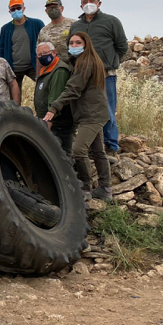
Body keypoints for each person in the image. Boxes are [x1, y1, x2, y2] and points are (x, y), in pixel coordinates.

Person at [44, 32, 111, 201]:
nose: (74, 46)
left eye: (78, 42)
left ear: (86, 44)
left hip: (92, 115)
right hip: (93, 112)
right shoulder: (84, 62)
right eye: (71, 43)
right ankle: (105, 188)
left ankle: (86, 187)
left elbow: (73, 89)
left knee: (78, 151)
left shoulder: (85, 63)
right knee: (97, 152)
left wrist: (54, 108)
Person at [69, 0, 128, 162]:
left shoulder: (111, 21)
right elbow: (73, 47)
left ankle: (111, 147)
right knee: (87, 111)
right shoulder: (76, 25)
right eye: (85, 1)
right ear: (81, 5)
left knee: (107, 110)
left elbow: (122, 47)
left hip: (104, 75)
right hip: (82, 76)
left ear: (99, 3)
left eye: (92, 0)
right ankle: (91, 147)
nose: (89, 4)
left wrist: (109, 63)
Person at [0, 0, 44, 97]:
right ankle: (15, 112)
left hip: (34, 66)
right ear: (9, 11)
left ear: (24, 8)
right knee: (14, 99)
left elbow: (45, 42)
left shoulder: (37, 24)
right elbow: (1, 49)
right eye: (13, 9)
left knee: (44, 88)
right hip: (14, 68)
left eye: (18, 8)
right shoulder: (5, 29)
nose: (16, 11)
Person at [33, 42, 74, 154]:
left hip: (57, 124)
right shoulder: (45, 70)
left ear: (54, 52)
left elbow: (55, 98)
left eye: (45, 53)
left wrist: (48, 124)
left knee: (62, 155)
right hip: (47, 121)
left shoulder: (59, 71)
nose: (42, 57)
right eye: (39, 55)